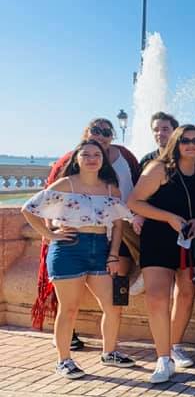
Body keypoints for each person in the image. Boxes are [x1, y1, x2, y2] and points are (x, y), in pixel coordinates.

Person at [21, 140, 135, 378]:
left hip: (100, 248)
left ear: (103, 160)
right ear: (77, 159)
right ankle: (63, 360)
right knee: (69, 308)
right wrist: (50, 235)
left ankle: (110, 352)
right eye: (86, 155)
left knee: (113, 306)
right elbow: (28, 209)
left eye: (97, 155)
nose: (92, 159)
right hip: (69, 249)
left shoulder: (110, 189)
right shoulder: (66, 184)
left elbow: (117, 224)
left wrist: (113, 254)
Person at [34, 118, 141, 349]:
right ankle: (65, 347)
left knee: (115, 298)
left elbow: (137, 187)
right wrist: (50, 230)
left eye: (106, 131)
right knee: (68, 306)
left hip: (115, 237)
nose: (101, 135)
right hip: (73, 241)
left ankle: (111, 348)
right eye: (96, 130)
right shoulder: (68, 168)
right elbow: (41, 203)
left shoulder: (124, 158)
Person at [128, 125, 195, 383]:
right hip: (158, 238)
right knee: (157, 297)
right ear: (176, 143)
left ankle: (175, 345)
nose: (191, 144)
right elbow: (134, 202)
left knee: (187, 294)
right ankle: (163, 358)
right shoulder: (159, 169)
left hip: (189, 240)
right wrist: (168, 218)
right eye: (185, 140)